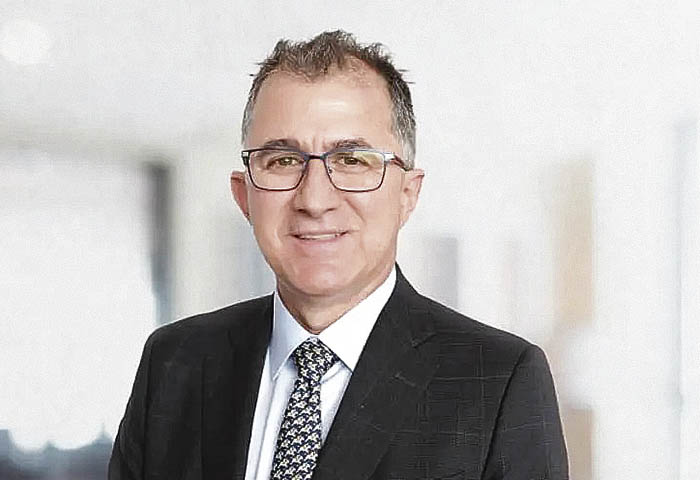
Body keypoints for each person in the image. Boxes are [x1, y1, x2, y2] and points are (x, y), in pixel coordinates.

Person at [109, 30, 568, 480]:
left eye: (352, 160)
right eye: (283, 160)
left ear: (407, 194)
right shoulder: (174, 364)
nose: (314, 200)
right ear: (244, 195)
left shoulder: (498, 383)